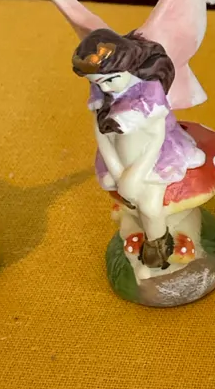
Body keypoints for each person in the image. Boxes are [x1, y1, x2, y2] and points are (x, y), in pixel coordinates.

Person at [72, 28, 206, 271]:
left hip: (156, 155)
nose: (106, 88)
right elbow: (100, 133)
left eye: (110, 80)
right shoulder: (101, 89)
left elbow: (155, 138)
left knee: (150, 207)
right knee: (117, 188)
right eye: (97, 82)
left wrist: (134, 176)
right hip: (118, 154)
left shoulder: (148, 91)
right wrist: (117, 171)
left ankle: (158, 249)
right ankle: (136, 229)